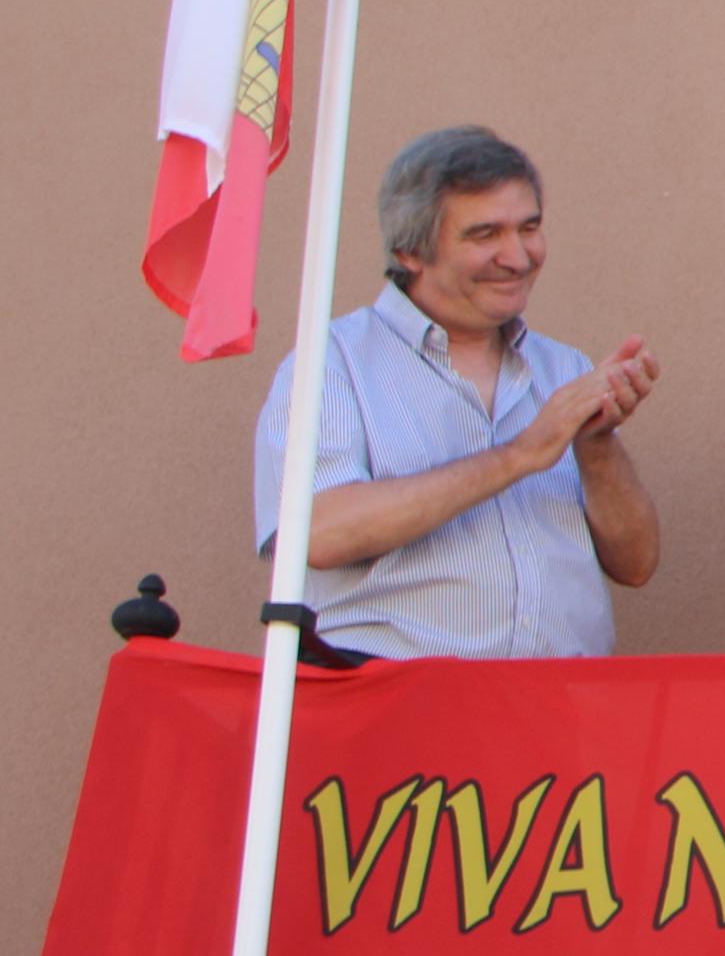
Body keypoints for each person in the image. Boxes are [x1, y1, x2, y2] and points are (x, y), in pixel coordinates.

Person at [253, 125, 659, 660]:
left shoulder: (562, 366)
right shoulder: (332, 365)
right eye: (484, 235)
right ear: (410, 251)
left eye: (529, 228)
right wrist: (519, 456)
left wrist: (597, 445)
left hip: (562, 709)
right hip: (401, 709)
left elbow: (636, 565)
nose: (517, 257)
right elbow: (317, 533)